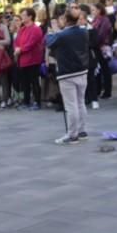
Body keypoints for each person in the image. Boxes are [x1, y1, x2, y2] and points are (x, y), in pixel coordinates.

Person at [46, 7, 89, 144]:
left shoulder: (62, 35)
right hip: (82, 71)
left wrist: (53, 31)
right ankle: (81, 130)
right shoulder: (84, 32)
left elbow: (49, 42)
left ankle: (72, 134)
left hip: (67, 73)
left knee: (71, 105)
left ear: (65, 19)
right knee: (80, 103)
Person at [13, 8, 43, 110]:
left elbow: (31, 43)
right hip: (22, 60)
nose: (22, 17)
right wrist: (16, 48)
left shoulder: (36, 29)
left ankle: (37, 102)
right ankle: (26, 102)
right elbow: (16, 41)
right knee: (25, 82)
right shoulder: (22, 29)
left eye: (24, 15)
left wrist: (20, 50)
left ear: (30, 16)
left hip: (33, 60)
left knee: (34, 82)